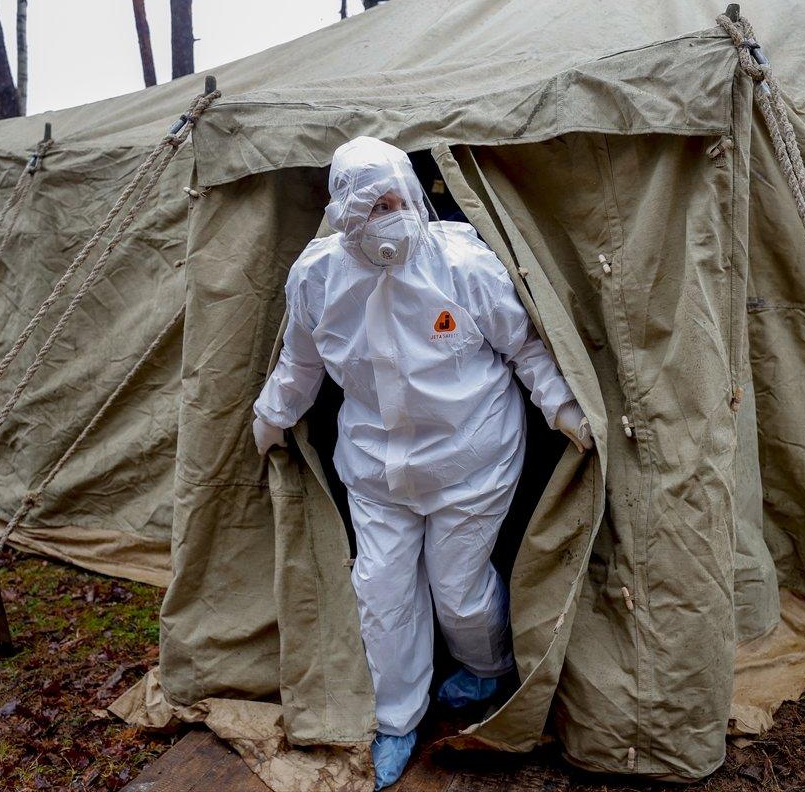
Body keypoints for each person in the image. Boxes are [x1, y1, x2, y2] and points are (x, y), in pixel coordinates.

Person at [252, 136, 592, 789]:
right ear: (344, 207)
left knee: (458, 591)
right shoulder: (317, 277)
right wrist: (272, 415)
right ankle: (398, 716)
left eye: (400, 197)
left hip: (474, 456)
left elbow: (524, 346)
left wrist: (563, 407)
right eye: (377, 202)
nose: (394, 213)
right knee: (380, 591)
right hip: (376, 467)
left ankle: (487, 671)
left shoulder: (461, 263)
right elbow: (301, 364)